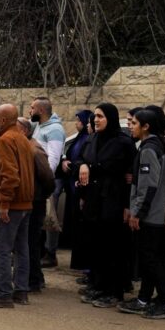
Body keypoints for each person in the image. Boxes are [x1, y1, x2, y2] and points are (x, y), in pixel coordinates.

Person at [77, 103, 136, 307]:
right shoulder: (93, 139)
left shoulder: (123, 142)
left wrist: (128, 206)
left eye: (101, 116)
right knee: (97, 245)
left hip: (114, 200)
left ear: (110, 118)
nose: (96, 120)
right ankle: (99, 286)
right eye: (95, 116)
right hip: (94, 199)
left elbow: (130, 174)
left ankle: (115, 291)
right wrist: (83, 166)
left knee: (113, 247)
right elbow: (81, 159)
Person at [119, 107, 165, 317]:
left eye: (134, 123)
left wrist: (137, 213)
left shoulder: (149, 149)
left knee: (150, 261)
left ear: (146, 127)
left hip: (151, 215)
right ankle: (144, 298)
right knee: (150, 259)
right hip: (154, 213)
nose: (130, 127)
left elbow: (148, 186)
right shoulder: (152, 146)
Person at [0, 104, 35, 308]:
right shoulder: (23, 138)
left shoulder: (5, 140)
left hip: (12, 204)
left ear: (3, 120)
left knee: (1, 249)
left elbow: (10, 175)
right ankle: (21, 291)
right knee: (21, 248)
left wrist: (4, 203)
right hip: (25, 203)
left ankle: (3, 294)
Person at [19, 117, 55, 293]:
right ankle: (33, 277)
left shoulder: (34, 149)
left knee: (31, 241)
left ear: (25, 131)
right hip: (30, 199)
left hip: (35, 201)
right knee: (26, 241)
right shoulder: (24, 146)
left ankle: (33, 280)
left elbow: (47, 176)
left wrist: (41, 195)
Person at [30, 97, 66, 267]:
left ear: (41, 111)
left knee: (50, 218)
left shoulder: (55, 130)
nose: (30, 111)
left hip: (46, 181)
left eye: (32, 108)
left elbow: (53, 158)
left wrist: (44, 180)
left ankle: (50, 253)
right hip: (38, 180)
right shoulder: (39, 126)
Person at [60, 110, 93, 271]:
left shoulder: (89, 140)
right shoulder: (80, 138)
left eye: (80, 121)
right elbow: (73, 155)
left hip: (83, 188)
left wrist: (77, 165)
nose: (77, 123)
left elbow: (85, 160)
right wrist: (66, 160)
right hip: (73, 186)